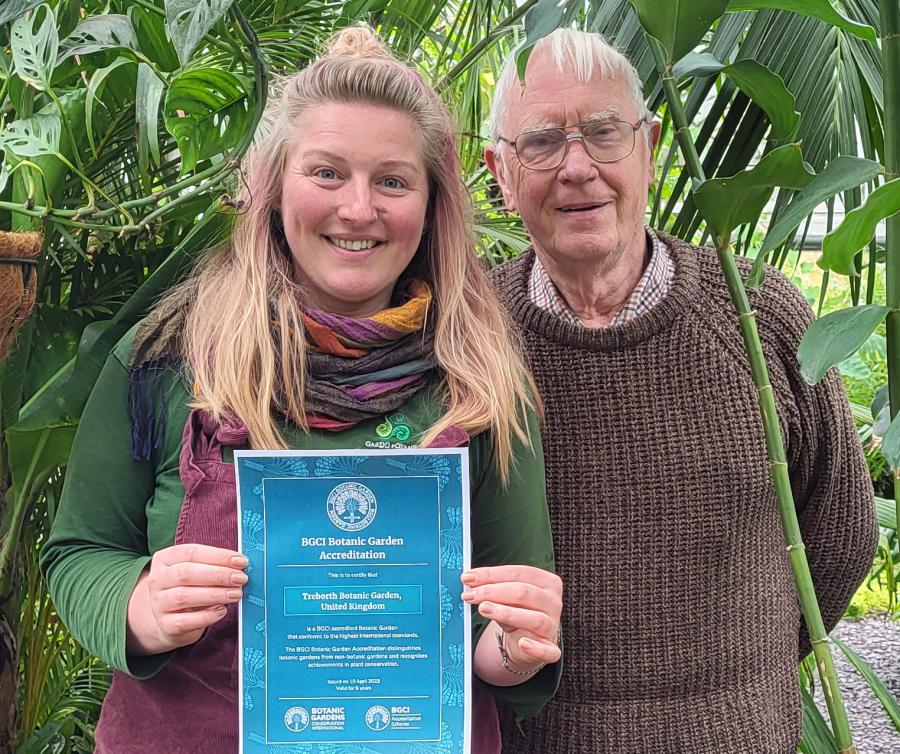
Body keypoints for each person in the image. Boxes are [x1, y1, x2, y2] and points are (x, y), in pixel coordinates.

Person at [40, 27, 562, 754]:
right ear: (272, 188)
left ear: (431, 203)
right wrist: (136, 605)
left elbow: (497, 629)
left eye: (392, 180)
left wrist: (515, 644)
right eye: (326, 173)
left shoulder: (481, 380)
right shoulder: (169, 357)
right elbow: (79, 551)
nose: (358, 209)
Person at [483, 28, 878, 754]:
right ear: (500, 173)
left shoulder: (757, 314)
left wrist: (737, 676)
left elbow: (841, 532)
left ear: (650, 144)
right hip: (532, 737)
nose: (577, 167)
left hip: (734, 736)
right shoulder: (468, 333)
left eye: (604, 132)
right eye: (540, 142)